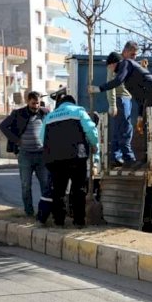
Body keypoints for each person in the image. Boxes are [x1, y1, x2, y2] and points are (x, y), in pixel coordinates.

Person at [89, 49, 152, 165]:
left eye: (110, 67)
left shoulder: (125, 63)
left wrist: (99, 89)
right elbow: (140, 99)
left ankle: (144, 158)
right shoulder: (130, 78)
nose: (111, 71)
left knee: (148, 128)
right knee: (148, 127)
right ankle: (144, 157)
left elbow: (117, 81)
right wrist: (140, 116)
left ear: (113, 63)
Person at [40, 94, 99, 228]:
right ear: (73, 102)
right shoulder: (78, 111)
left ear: (60, 104)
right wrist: (94, 144)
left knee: (58, 190)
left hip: (54, 159)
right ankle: (79, 221)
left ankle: (59, 221)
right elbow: (91, 129)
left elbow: (41, 138)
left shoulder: (49, 117)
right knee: (78, 189)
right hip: (76, 156)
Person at [0, 91, 51, 218]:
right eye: (33, 103)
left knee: (45, 184)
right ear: (28, 101)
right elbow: (3, 126)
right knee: (26, 185)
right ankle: (29, 212)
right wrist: (16, 140)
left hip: (41, 155)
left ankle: (45, 212)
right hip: (25, 155)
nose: (36, 106)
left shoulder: (45, 113)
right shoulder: (18, 114)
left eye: (38, 103)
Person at [105, 51, 135, 167]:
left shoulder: (117, 68)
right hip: (121, 100)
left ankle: (116, 157)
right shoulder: (113, 69)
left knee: (119, 130)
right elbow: (110, 87)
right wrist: (112, 104)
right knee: (125, 129)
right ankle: (128, 157)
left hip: (123, 100)